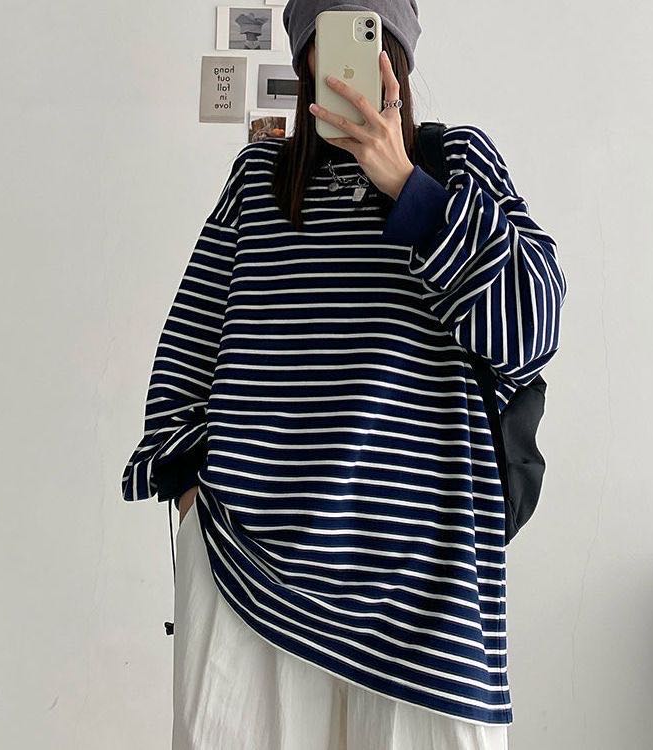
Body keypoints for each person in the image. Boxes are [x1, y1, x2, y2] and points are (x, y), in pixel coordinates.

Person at [120, 1, 567, 747]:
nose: (353, 68)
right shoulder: (259, 179)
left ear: (400, 57)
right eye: (331, 42)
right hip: (247, 571)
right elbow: (190, 346)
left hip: (426, 588)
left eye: (370, 40)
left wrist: (408, 188)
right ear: (305, 60)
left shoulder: (456, 163)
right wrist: (192, 492)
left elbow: (532, 330)